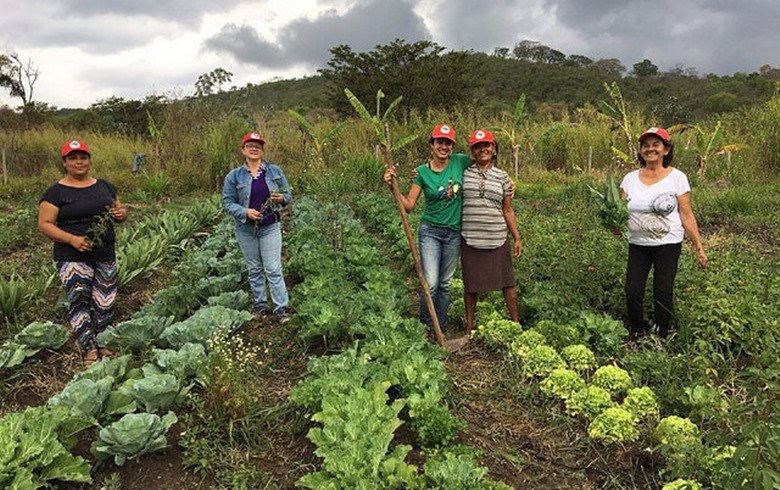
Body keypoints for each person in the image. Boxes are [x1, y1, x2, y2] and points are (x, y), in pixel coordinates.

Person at [38, 140, 127, 366]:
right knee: (79, 300)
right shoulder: (55, 192)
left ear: (89, 160)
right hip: (72, 256)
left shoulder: (105, 186)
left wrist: (120, 214)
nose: (79, 162)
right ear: (64, 162)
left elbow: (120, 211)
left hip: (104, 253)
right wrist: (72, 239)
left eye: (83, 157)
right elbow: (45, 224)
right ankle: (89, 348)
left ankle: (103, 341)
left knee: (105, 300)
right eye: (73, 158)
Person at [620, 127, 707, 340]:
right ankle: (637, 333)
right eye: (646, 145)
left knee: (663, 291)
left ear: (666, 149)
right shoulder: (629, 179)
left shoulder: (677, 178)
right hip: (638, 244)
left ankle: (660, 335)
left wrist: (698, 245)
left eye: (656, 145)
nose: (651, 149)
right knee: (633, 291)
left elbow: (686, 214)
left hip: (668, 243)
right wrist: (614, 225)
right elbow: (619, 211)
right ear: (641, 151)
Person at [383, 124, 471, 334]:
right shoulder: (422, 172)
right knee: (430, 283)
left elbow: (485, 165)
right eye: (440, 142)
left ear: (452, 146)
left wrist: (507, 184)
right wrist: (392, 187)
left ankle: (440, 327)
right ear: (432, 145)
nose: (444, 146)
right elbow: (409, 206)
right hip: (430, 231)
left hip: (453, 232)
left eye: (448, 142)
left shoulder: (460, 161)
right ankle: (425, 325)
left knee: (445, 284)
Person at [222, 131, 292, 323]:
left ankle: (280, 308)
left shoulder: (275, 171)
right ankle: (260, 305)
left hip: (270, 226)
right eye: (250, 145)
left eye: (258, 146)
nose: (254, 148)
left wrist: (282, 198)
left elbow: (288, 194)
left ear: (262, 150)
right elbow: (227, 202)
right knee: (254, 268)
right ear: (243, 150)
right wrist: (245, 212)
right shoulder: (234, 176)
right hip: (246, 229)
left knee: (273, 268)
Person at [460, 129, 522, 335]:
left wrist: (517, 237)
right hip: (470, 237)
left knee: (508, 283)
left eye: (486, 145)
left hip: (497, 236)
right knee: (470, 285)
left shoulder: (503, 177)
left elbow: (508, 209)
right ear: (473, 151)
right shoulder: (464, 172)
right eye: (477, 146)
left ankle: (516, 323)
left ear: (494, 149)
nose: (482, 149)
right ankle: (469, 326)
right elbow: (441, 169)